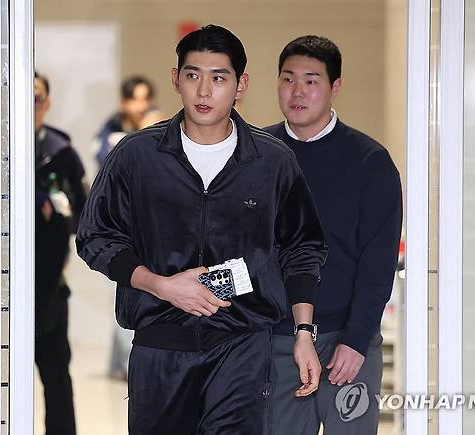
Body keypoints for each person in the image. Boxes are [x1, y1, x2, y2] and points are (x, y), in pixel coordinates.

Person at [77, 25, 328, 435]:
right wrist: (161, 285)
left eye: (219, 77)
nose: (204, 91)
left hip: (242, 348)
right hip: (160, 348)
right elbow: (96, 236)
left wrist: (303, 332)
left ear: (240, 85)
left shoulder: (272, 162)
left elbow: (302, 247)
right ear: (175, 79)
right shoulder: (137, 156)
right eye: (193, 75)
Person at [264, 35, 403, 434]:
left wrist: (357, 339)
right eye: (288, 79)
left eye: (311, 81)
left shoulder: (369, 161)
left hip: (347, 340)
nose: (297, 92)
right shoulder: (257, 156)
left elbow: (378, 263)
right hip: (277, 342)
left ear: (334, 86)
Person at [34, 71, 87, 435]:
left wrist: (59, 209)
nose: (29, 106)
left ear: (47, 104)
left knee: (56, 376)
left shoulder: (61, 153)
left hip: (49, 285)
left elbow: (85, 215)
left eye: (36, 99)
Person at [93, 76, 164, 166]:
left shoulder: (159, 126)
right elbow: (106, 161)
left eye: (145, 99)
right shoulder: (112, 127)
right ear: (123, 101)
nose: (141, 107)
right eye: (135, 99)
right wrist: (142, 134)